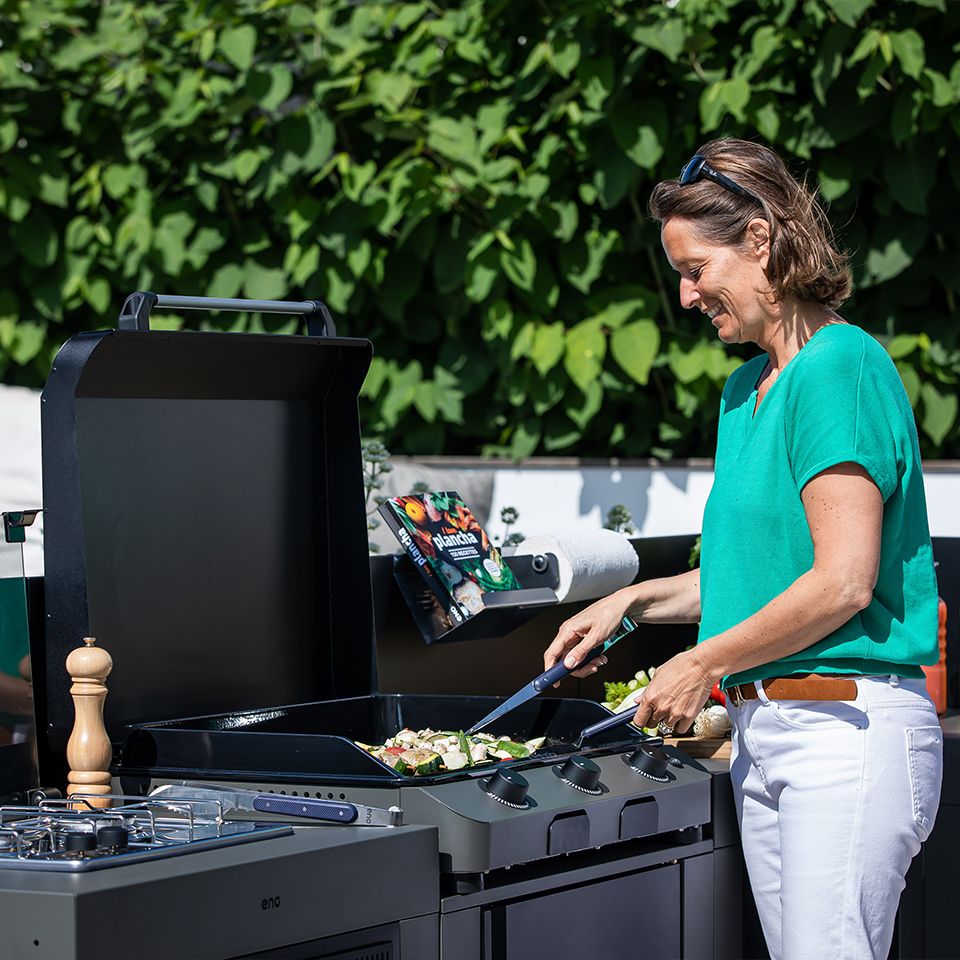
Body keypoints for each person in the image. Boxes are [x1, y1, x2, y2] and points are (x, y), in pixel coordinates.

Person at [543, 138, 943, 960]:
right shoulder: (744, 390)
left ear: (761, 240)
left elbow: (842, 582)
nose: (687, 296)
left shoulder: (839, 369)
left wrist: (700, 664)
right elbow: (754, 577)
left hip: (844, 729)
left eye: (696, 268)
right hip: (771, 731)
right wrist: (633, 600)